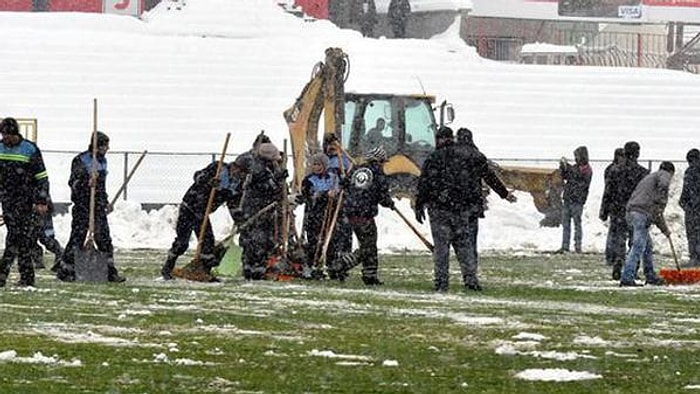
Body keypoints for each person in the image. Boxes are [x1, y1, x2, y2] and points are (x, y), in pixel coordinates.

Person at [414, 127, 516, 292]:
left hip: (439, 209)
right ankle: (471, 279)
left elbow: (424, 183)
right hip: (462, 209)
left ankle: (441, 283)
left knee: (441, 248)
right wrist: (503, 193)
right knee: (464, 246)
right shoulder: (468, 155)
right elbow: (488, 175)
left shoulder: (434, 157)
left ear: (439, 139)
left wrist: (419, 204)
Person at [57, 131, 125, 283]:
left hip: (98, 207)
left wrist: (105, 201)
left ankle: (110, 272)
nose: (108, 148)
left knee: (104, 240)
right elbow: (73, 183)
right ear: (98, 146)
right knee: (77, 238)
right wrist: (86, 183)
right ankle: (66, 270)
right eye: (105, 145)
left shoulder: (102, 161)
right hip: (82, 206)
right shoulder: (81, 160)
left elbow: (101, 187)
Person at [161, 161, 244, 280]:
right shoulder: (218, 168)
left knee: (208, 242)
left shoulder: (236, 185)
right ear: (234, 166)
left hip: (203, 213)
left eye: (243, 173)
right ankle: (168, 268)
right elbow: (197, 176)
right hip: (189, 208)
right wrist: (209, 182)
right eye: (240, 171)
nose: (240, 175)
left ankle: (203, 271)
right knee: (182, 243)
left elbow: (233, 204)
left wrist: (238, 218)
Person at [328, 146, 395, 285]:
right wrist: (389, 203)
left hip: (350, 213)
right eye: (383, 162)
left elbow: (344, 183)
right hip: (365, 215)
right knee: (368, 247)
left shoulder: (356, 170)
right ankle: (341, 265)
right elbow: (382, 196)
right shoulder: (378, 173)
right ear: (379, 161)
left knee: (368, 245)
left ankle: (369, 275)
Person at [0, 117, 50, 287]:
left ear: (15, 133)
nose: (5, 139)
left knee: (17, 238)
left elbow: (42, 177)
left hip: (26, 201)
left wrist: (42, 200)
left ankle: (4, 275)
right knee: (18, 239)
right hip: (7, 200)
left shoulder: (29, 149)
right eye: (3, 135)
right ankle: (26, 277)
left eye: (7, 135)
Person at [620, 161, 675, 287]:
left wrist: (664, 229)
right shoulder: (663, 175)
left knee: (647, 246)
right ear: (670, 172)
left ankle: (650, 275)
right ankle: (627, 278)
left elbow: (656, 214)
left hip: (632, 212)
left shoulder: (650, 179)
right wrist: (661, 199)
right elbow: (663, 186)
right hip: (640, 213)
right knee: (638, 246)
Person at [239, 142, 287, 280]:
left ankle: (257, 268)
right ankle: (252, 270)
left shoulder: (267, 168)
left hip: (264, 210)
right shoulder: (258, 169)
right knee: (256, 242)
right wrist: (276, 180)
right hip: (256, 210)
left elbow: (275, 191)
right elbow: (265, 188)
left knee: (263, 241)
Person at [606, 141, 649, 280]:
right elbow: (645, 194)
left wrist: (604, 208)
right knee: (635, 240)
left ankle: (618, 260)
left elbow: (608, 191)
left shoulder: (615, 170)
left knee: (619, 237)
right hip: (635, 209)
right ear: (637, 153)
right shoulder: (642, 172)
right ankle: (632, 267)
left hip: (617, 208)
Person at [298, 153, 340, 274]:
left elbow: (339, 192)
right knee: (314, 242)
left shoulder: (332, 178)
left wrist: (335, 194)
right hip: (314, 215)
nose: (316, 167)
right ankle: (313, 265)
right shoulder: (308, 180)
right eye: (314, 164)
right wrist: (324, 195)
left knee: (330, 241)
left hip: (330, 214)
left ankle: (331, 264)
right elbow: (310, 196)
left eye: (319, 164)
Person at [557, 146, 592, 253]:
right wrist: (563, 168)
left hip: (577, 200)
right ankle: (565, 246)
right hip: (570, 199)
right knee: (567, 224)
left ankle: (577, 246)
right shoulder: (577, 168)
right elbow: (566, 176)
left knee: (576, 224)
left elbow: (577, 177)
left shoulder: (586, 169)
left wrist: (567, 167)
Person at [600, 148, 625, 266]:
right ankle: (615, 256)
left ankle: (613, 256)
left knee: (614, 232)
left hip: (614, 205)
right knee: (617, 232)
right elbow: (609, 190)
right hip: (617, 205)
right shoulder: (615, 170)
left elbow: (608, 190)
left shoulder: (610, 169)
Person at [679, 148, 700, 267]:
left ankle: (695, 257)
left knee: (692, 235)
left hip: (692, 208)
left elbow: (686, 192)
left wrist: (684, 204)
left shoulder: (690, 171)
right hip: (694, 207)